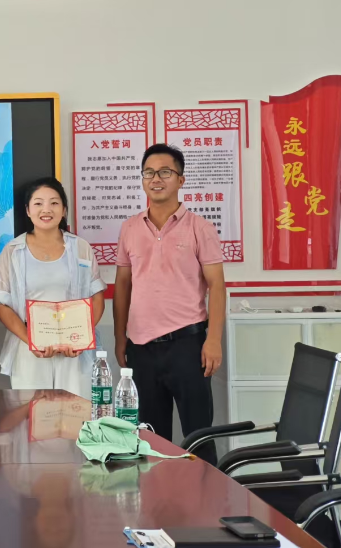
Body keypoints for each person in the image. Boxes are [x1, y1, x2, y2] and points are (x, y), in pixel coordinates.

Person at [113, 143, 226, 464]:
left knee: (198, 436)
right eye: (149, 172)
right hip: (141, 348)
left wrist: (213, 340)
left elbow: (217, 286)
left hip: (189, 345)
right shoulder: (129, 228)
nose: (156, 179)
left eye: (165, 172)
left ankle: (204, 496)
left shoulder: (200, 228)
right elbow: (123, 286)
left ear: (181, 179)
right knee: (149, 439)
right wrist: (120, 338)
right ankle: (158, 498)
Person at [0, 178, 107, 397]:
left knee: (75, 412)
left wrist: (81, 340)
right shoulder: (12, 251)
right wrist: (31, 341)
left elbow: (96, 297)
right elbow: (2, 304)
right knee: (32, 412)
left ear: (64, 210)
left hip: (73, 351)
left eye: (54, 203)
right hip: (28, 348)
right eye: (38, 203)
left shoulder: (80, 247)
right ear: (28, 210)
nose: (46, 209)